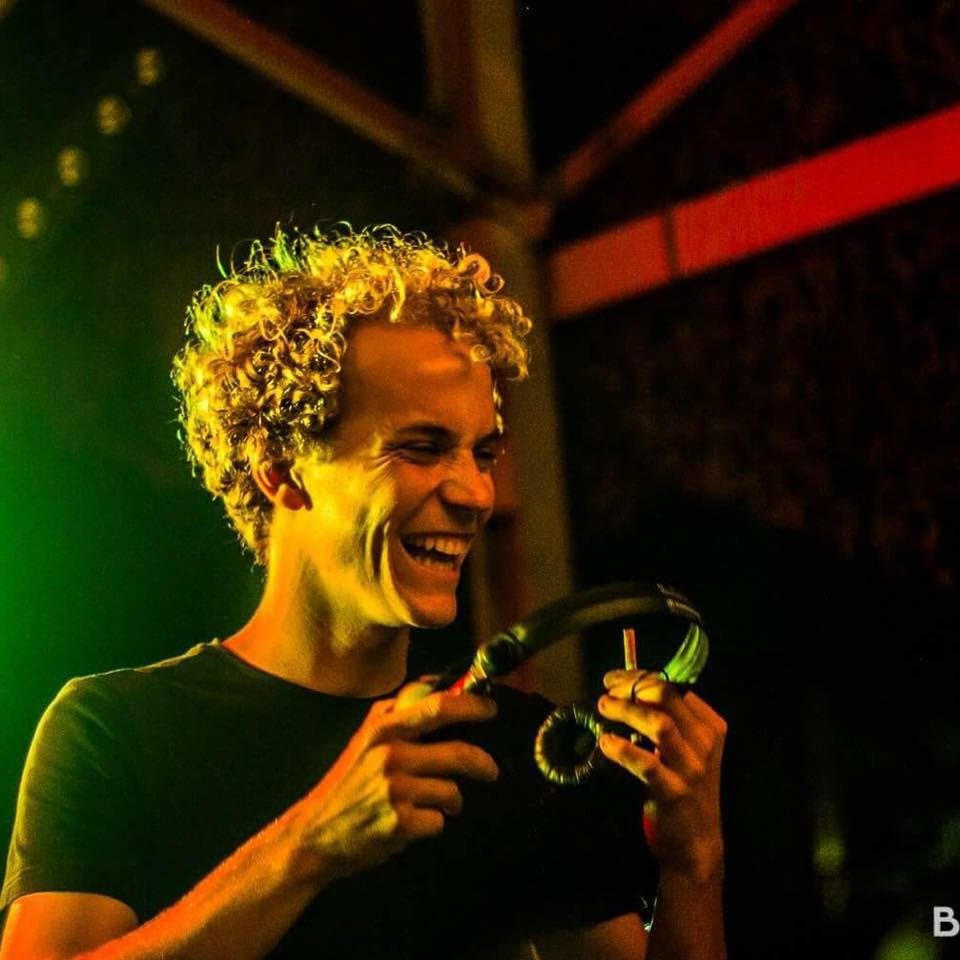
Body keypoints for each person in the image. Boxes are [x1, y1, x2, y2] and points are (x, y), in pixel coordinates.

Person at [0, 226, 727, 960]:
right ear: (282, 469)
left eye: (482, 453)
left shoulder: (516, 749)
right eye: (422, 448)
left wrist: (692, 863)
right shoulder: (114, 734)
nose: (475, 493)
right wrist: (312, 844)